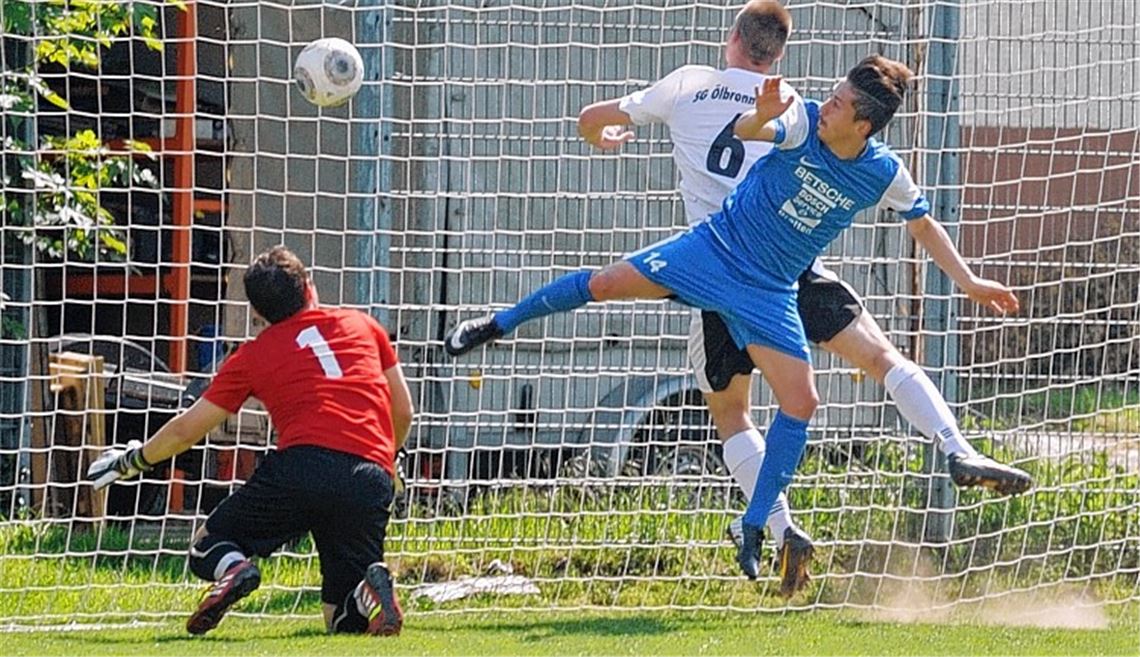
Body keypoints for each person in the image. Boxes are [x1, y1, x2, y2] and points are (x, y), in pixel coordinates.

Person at [443, 54, 1023, 582]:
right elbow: (755, 130)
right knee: (604, 284)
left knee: (802, 403)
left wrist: (969, 280)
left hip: (771, 289)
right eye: (834, 94)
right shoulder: (804, 120)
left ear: (864, 126)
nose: (828, 103)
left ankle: (764, 521)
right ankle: (495, 324)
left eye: (842, 102)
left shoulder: (882, 172)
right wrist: (761, 116)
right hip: (714, 253)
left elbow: (921, 221)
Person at [575, 1, 1032, 596]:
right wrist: (969, 282)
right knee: (882, 358)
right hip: (797, 268)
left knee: (732, 413)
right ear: (781, 53)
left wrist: (610, 132)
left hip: (724, 270)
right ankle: (956, 444)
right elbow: (913, 217)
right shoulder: (798, 103)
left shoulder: (692, 86)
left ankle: (784, 528)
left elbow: (592, 118)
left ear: (731, 37)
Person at [87, 245, 412, 637]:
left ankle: (235, 569)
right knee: (340, 622)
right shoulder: (363, 325)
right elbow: (403, 411)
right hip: (369, 475)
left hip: (301, 468)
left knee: (209, 545)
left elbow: (185, 430)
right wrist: (388, 460)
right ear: (309, 286)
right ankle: (367, 591)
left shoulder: (252, 355)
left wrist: (132, 460)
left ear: (257, 313)